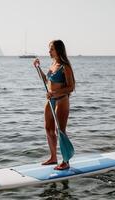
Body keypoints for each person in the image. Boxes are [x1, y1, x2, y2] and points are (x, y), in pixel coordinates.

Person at [33, 40, 75, 170]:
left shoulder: (65, 66)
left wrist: (55, 93)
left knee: (60, 131)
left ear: (58, 50)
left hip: (61, 100)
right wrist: (38, 68)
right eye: (49, 49)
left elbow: (71, 87)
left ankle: (66, 161)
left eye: (51, 49)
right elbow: (46, 80)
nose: (49, 51)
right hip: (50, 100)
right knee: (48, 128)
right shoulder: (53, 65)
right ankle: (53, 158)